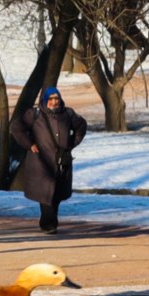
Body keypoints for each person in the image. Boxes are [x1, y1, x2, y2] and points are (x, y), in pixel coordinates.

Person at [9, 87, 89, 234]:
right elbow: (16, 128)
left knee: (56, 193)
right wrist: (29, 144)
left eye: (56, 99)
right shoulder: (34, 115)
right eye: (50, 99)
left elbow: (81, 126)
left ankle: (49, 221)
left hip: (61, 162)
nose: (53, 102)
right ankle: (48, 224)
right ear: (45, 100)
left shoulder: (68, 114)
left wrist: (72, 142)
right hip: (40, 162)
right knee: (45, 193)